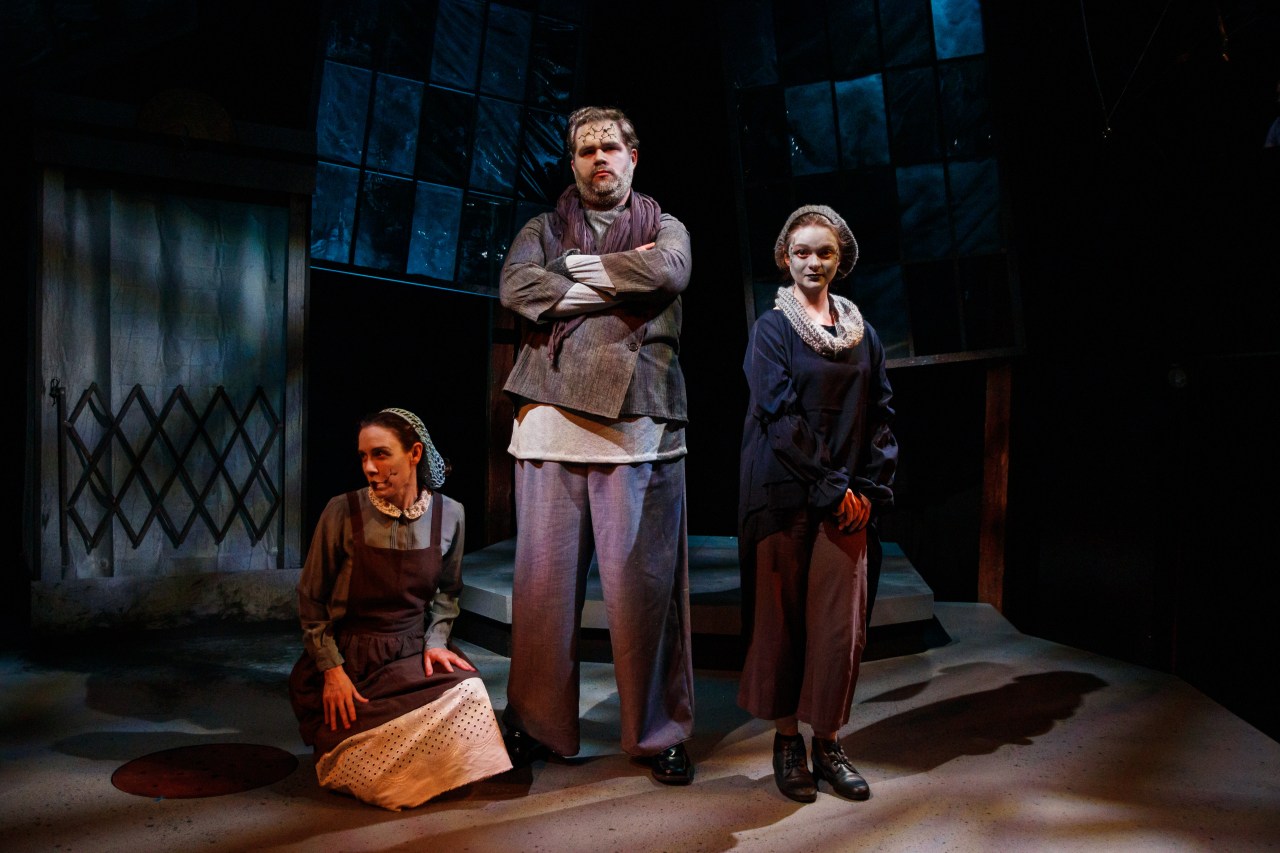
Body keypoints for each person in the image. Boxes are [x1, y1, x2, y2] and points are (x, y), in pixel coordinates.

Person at [497, 105, 695, 784]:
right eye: (586, 150)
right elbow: (516, 286)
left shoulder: (666, 227)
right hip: (549, 419)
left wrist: (571, 277)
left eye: (610, 147)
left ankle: (657, 732)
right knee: (543, 593)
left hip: (639, 422)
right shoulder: (541, 228)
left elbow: (668, 273)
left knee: (644, 594)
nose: (599, 159)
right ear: (573, 162)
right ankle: (536, 724)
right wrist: (618, 279)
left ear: (633, 156)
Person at [737, 205, 897, 803]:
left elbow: (882, 414)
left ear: (840, 259)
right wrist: (831, 485)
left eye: (824, 252)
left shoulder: (863, 333)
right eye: (802, 252)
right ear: (785, 258)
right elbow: (777, 414)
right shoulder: (771, 329)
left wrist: (868, 490)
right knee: (781, 624)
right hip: (783, 492)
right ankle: (787, 742)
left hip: (847, 498)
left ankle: (828, 743)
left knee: (838, 629)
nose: (813, 262)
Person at [288, 408, 511, 810]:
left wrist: (437, 640)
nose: (369, 468)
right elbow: (311, 598)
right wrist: (331, 670)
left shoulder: (450, 515)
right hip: (353, 662)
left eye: (381, 454)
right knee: (367, 769)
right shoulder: (343, 511)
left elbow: (448, 592)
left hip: (411, 654)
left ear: (414, 453)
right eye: (363, 457)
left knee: (470, 693)